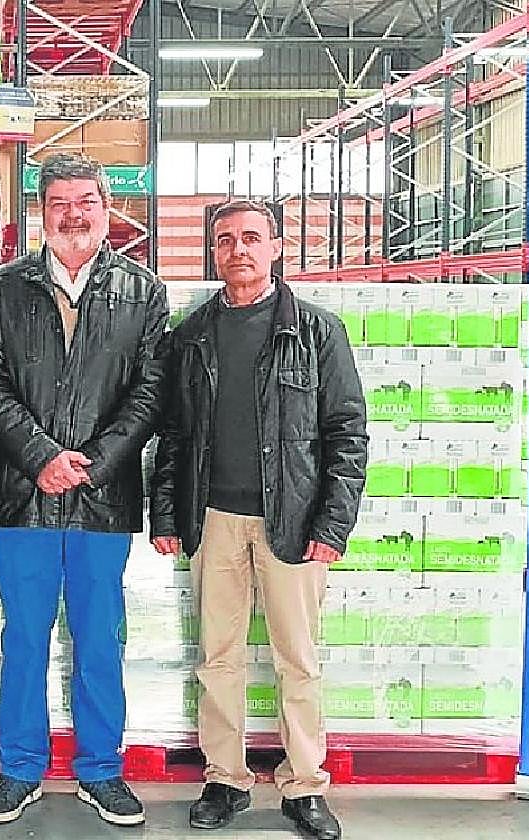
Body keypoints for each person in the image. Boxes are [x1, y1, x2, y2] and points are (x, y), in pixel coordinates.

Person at [150, 199, 367, 840]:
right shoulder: (190, 337)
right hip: (213, 519)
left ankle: (304, 787)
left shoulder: (316, 331)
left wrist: (332, 525)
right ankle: (225, 778)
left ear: (276, 247)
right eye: (225, 240)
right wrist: (167, 511)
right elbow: (173, 433)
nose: (238, 250)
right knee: (218, 657)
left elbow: (346, 432)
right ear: (212, 252)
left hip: (294, 522)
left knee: (296, 659)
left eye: (251, 238)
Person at [0, 153, 169, 826]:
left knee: (98, 635)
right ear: (41, 212)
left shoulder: (142, 292)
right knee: (24, 635)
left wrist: (94, 462)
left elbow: (149, 392)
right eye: (60, 202)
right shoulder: (4, 288)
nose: (74, 213)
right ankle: (19, 768)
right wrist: (41, 457)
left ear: (107, 208)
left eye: (86, 200)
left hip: (101, 498)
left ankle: (100, 770)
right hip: (21, 497)